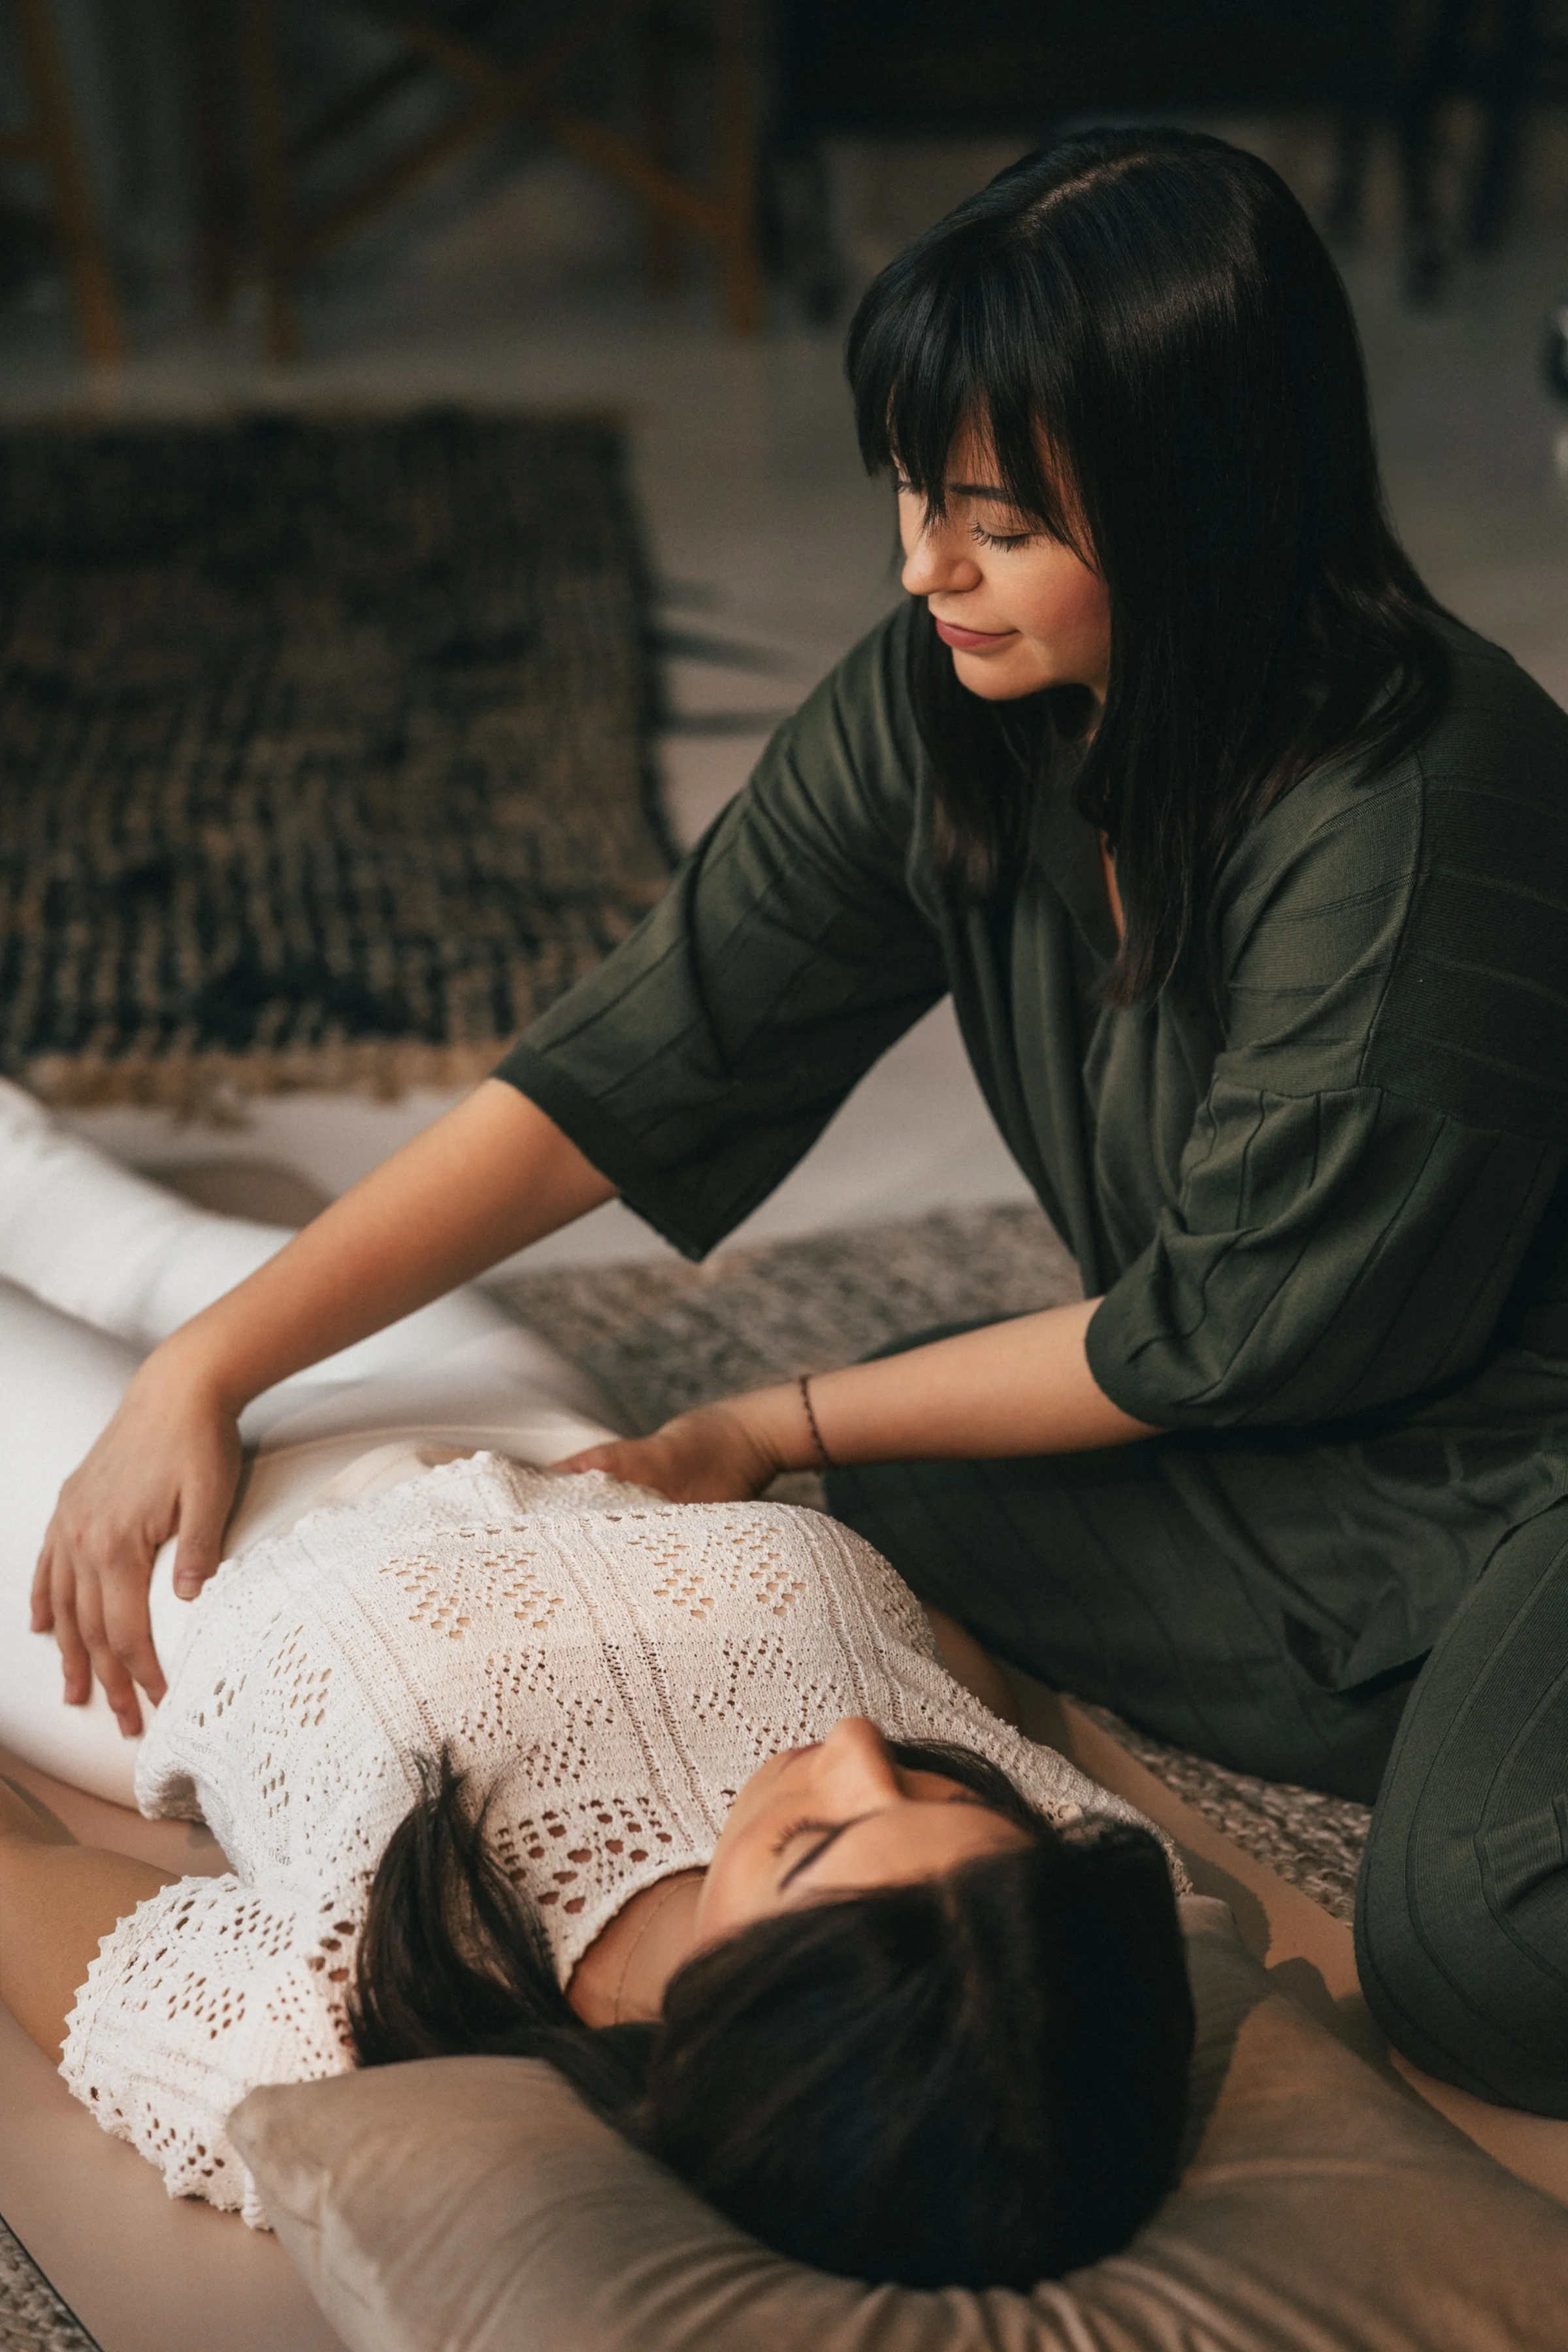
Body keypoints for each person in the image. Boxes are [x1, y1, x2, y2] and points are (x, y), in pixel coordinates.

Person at [24, 128, 1568, 2118]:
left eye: (997, 520)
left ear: (1207, 508)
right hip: (1315, 1440)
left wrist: (774, 1413)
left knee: (1478, 1952)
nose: (921, 563)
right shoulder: (959, 697)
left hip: (1504, 1446)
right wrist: (210, 1369)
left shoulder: (1428, 802)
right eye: (916, 490)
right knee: (886, 1522)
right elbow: (628, 1059)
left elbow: (1225, 1331)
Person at [0, 1089, 1192, 2286]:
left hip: (152, 1579)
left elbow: (22, 1883)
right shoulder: (1043, 1918)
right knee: (66, 1204)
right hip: (532, 1420)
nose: (849, 1744)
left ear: (719, 2038)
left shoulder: (386, 2028)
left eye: (813, 1842)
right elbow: (938, 1677)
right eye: (931, 1794)